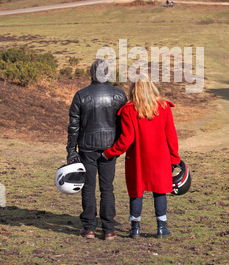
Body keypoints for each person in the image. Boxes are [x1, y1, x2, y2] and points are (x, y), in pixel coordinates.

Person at [103, 75, 181, 239]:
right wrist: (174, 159)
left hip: (137, 158)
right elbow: (171, 136)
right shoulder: (164, 107)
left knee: (136, 191)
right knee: (160, 191)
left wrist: (109, 152)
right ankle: (161, 227)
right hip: (161, 158)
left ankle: (135, 228)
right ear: (151, 88)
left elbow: (126, 140)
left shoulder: (128, 110)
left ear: (134, 90)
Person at [66, 59, 127, 240]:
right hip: (110, 148)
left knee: (89, 187)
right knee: (107, 188)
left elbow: (73, 126)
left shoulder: (81, 95)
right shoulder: (119, 95)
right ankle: (108, 229)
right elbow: (125, 124)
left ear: (91, 73)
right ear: (108, 74)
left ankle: (89, 228)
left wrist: (71, 149)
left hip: (87, 147)